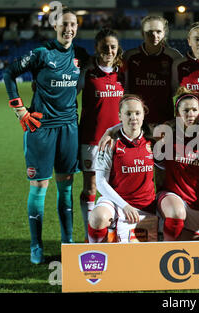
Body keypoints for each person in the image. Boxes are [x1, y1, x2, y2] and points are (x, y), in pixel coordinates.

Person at [3, 7, 89, 264]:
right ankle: (36, 245)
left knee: (66, 187)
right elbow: (9, 73)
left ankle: (67, 242)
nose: (68, 29)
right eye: (64, 24)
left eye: (73, 24)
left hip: (69, 129)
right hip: (40, 129)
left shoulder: (81, 55)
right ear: (55, 26)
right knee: (39, 186)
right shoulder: (42, 53)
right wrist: (19, 109)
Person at [88, 95, 157, 243]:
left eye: (137, 113)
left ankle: (113, 235)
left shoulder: (153, 140)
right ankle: (96, 255)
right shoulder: (110, 143)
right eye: (128, 113)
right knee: (97, 217)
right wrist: (124, 206)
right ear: (120, 116)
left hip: (146, 206)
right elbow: (100, 183)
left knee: (138, 260)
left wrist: (109, 129)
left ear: (144, 115)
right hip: (117, 203)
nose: (133, 117)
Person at [78, 27, 124, 242]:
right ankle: (89, 234)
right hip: (91, 139)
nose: (109, 50)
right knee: (91, 187)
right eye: (104, 46)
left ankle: (114, 232)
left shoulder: (123, 73)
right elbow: (68, 92)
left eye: (113, 46)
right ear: (96, 47)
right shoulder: (87, 72)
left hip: (118, 140)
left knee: (117, 186)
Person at [157, 87, 199, 241]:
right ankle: (164, 252)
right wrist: (110, 132)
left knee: (192, 246)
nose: (190, 114)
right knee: (175, 218)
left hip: (197, 200)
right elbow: (133, 128)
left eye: (194, 110)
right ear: (177, 113)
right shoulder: (167, 136)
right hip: (172, 195)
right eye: (186, 110)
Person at [123, 15, 182, 124]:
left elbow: (176, 89)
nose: (154, 35)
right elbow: (125, 89)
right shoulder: (130, 56)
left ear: (164, 33)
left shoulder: (174, 56)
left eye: (158, 31)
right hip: (136, 120)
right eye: (149, 32)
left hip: (165, 119)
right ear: (142, 33)